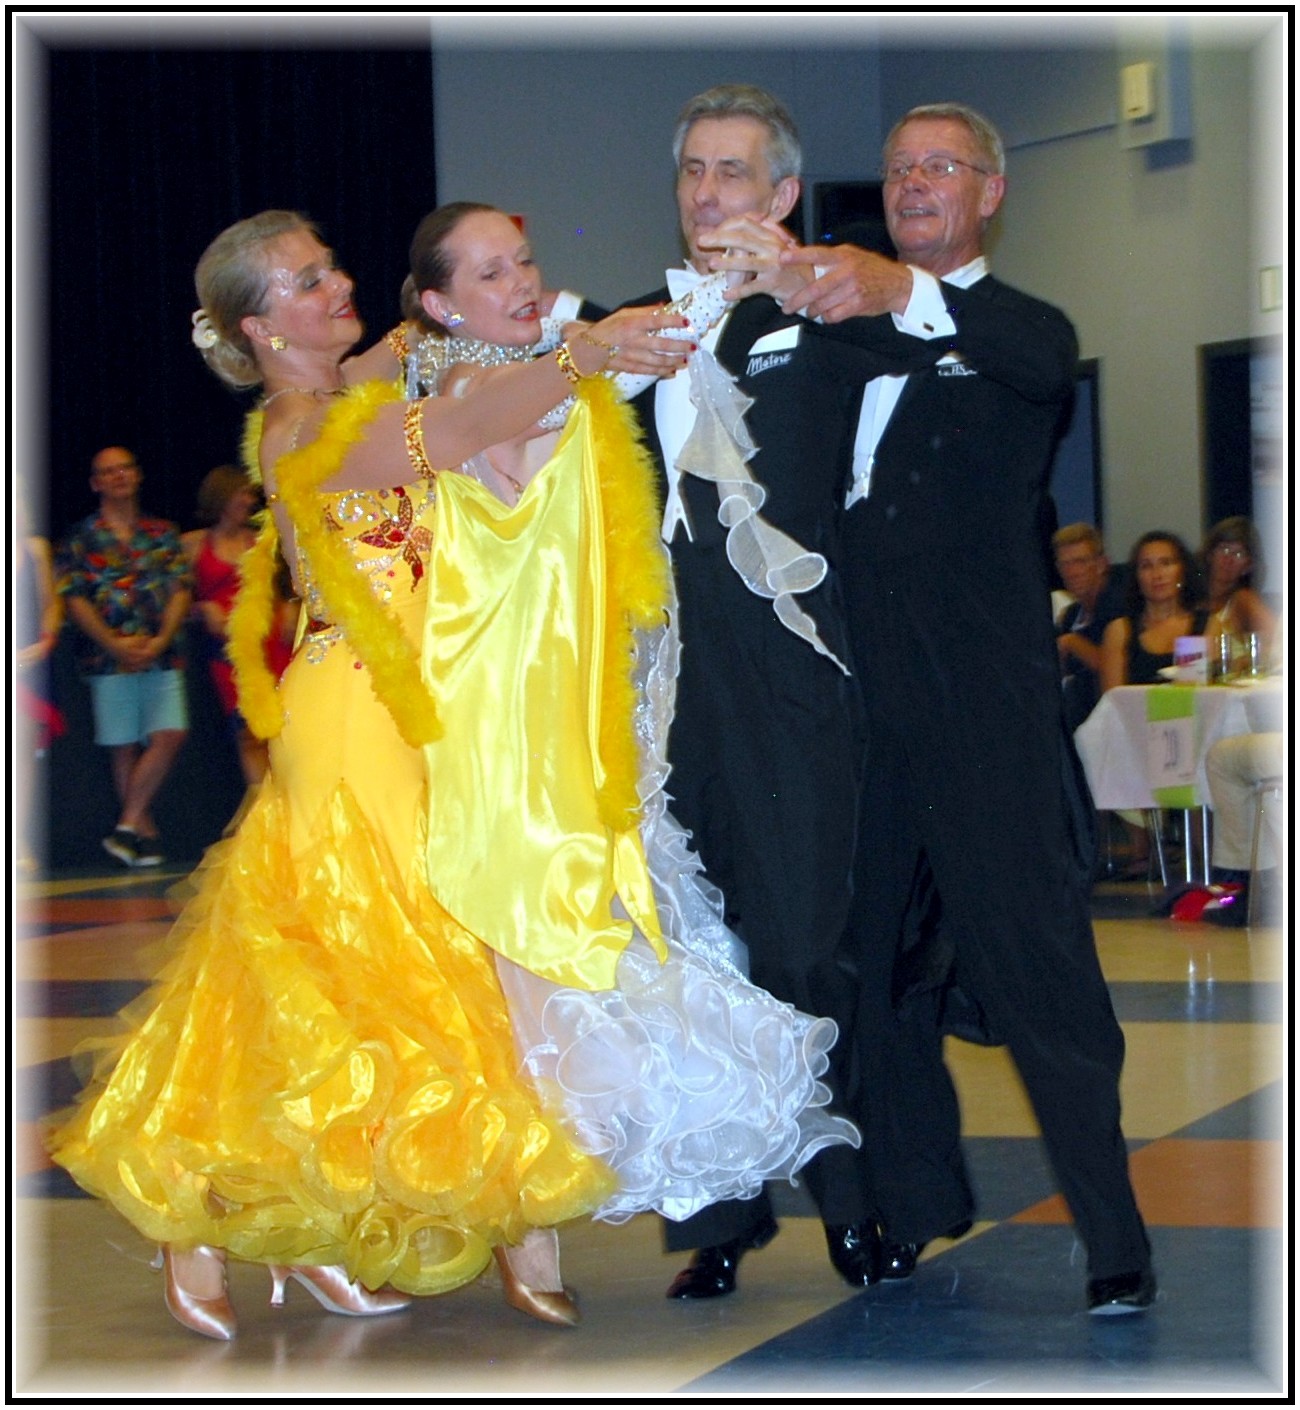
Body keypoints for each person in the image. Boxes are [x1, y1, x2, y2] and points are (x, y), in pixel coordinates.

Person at [48, 209, 853, 1341]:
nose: (337, 286)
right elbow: (463, 423)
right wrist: (578, 356)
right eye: (305, 282)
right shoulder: (299, 428)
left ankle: (349, 1219)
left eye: (330, 267)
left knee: (427, 966)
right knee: (351, 969)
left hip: (441, 714)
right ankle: (206, 1212)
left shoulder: (359, 377)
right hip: (357, 712)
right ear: (259, 327)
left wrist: (694, 294)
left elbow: (470, 335)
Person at [708, 101, 1157, 1314]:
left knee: (1042, 978)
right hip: (858, 718)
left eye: (940, 167)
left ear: (988, 193)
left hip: (981, 720)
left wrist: (895, 289)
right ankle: (910, 1207)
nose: (913, 183)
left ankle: (1114, 1240)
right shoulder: (838, 333)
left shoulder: (1011, 329)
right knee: (871, 979)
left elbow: (1036, 361)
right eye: (899, 166)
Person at [620, 84, 948, 1300]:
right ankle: (721, 1214)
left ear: (784, 193)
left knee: (811, 948)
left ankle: (854, 1202)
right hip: (672, 689)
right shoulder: (637, 329)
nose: (708, 193)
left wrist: (836, 277)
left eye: (733, 172)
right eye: (692, 170)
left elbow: (945, 342)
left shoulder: (828, 316)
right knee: (697, 954)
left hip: (799, 678)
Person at [57, 447, 193, 868]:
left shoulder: (162, 533)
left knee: (171, 733)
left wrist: (161, 638)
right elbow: (74, 599)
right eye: (108, 471)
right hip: (107, 659)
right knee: (123, 746)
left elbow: (180, 590)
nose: (119, 476)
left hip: (161, 654)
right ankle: (142, 836)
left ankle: (126, 826)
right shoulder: (81, 537)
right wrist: (114, 644)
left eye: (125, 468)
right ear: (95, 483)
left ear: (138, 475)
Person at [181, 464, 295, 788]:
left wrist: (289, 605)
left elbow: (288, 584)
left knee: (284, 727)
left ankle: (289, 797)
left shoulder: (260, 540)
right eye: (241, 493)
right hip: (230, 651)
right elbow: (173, 600)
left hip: (271, 642)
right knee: (247, 732)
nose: (248, 500)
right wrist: (201, 608)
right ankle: (261, 803)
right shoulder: (193, 544)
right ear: (222, 497)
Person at [15, 487, 67, 872]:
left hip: (27, 664)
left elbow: (51, 604)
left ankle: (16, 836)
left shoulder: (35, 549)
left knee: (23, 748)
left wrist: (45, 640)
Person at [1099, 531, 1208, 690]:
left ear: (1183, 571)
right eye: (1146, 566)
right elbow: (1114, 697)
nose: (1157, 574)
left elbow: (1194, 693)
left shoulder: (1203, 624)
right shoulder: (1120, 630)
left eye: (1166, 563)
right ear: (1136, 576)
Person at [1052, 522, 1125, 732]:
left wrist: (1072, 642)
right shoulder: (1071, 615)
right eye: (1065, 564)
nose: (1072, 572)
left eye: (1080, 561)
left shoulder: (1118, 608)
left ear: (1101, 564)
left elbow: (1112, 665)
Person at [1197, 515, 1276, 662]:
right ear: (1210, 554)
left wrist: (1243, 663)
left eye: (1239, 554)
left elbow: (1279, 640)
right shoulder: (1188, 595)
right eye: (1224, 549)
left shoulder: (1243, 599)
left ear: (1248, 566)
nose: (1229, 560)